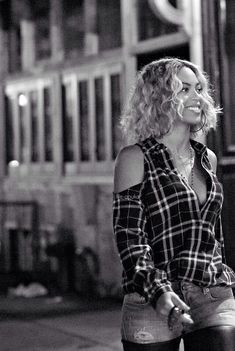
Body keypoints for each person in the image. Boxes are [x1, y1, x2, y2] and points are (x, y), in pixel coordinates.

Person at [113, 58, 235, 351]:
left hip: (210, 293)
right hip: (150, 297)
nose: (197, 98)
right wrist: (158, 292)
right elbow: (130, 238)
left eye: (198, 89)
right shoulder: (134, 158)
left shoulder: (209, 159)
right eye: (183, 89)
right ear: (159, 98)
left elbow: (213, 235)